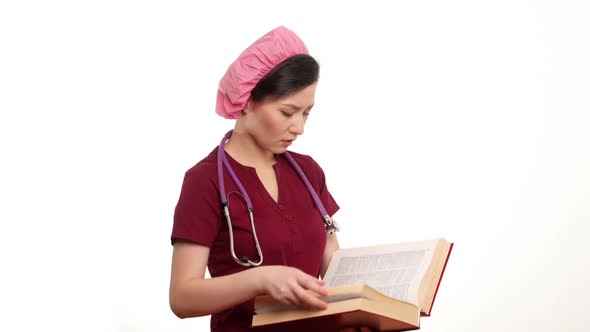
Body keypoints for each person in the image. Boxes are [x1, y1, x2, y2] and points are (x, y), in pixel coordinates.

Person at [169, 26, 342, 331]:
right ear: (247, 100)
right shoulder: (205, 181)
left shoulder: (308, 172)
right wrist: (259, 279)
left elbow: (336, 271)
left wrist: (367, 310)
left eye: (307, 114)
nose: (299, 127)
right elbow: (182, 297)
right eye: (288, 112)